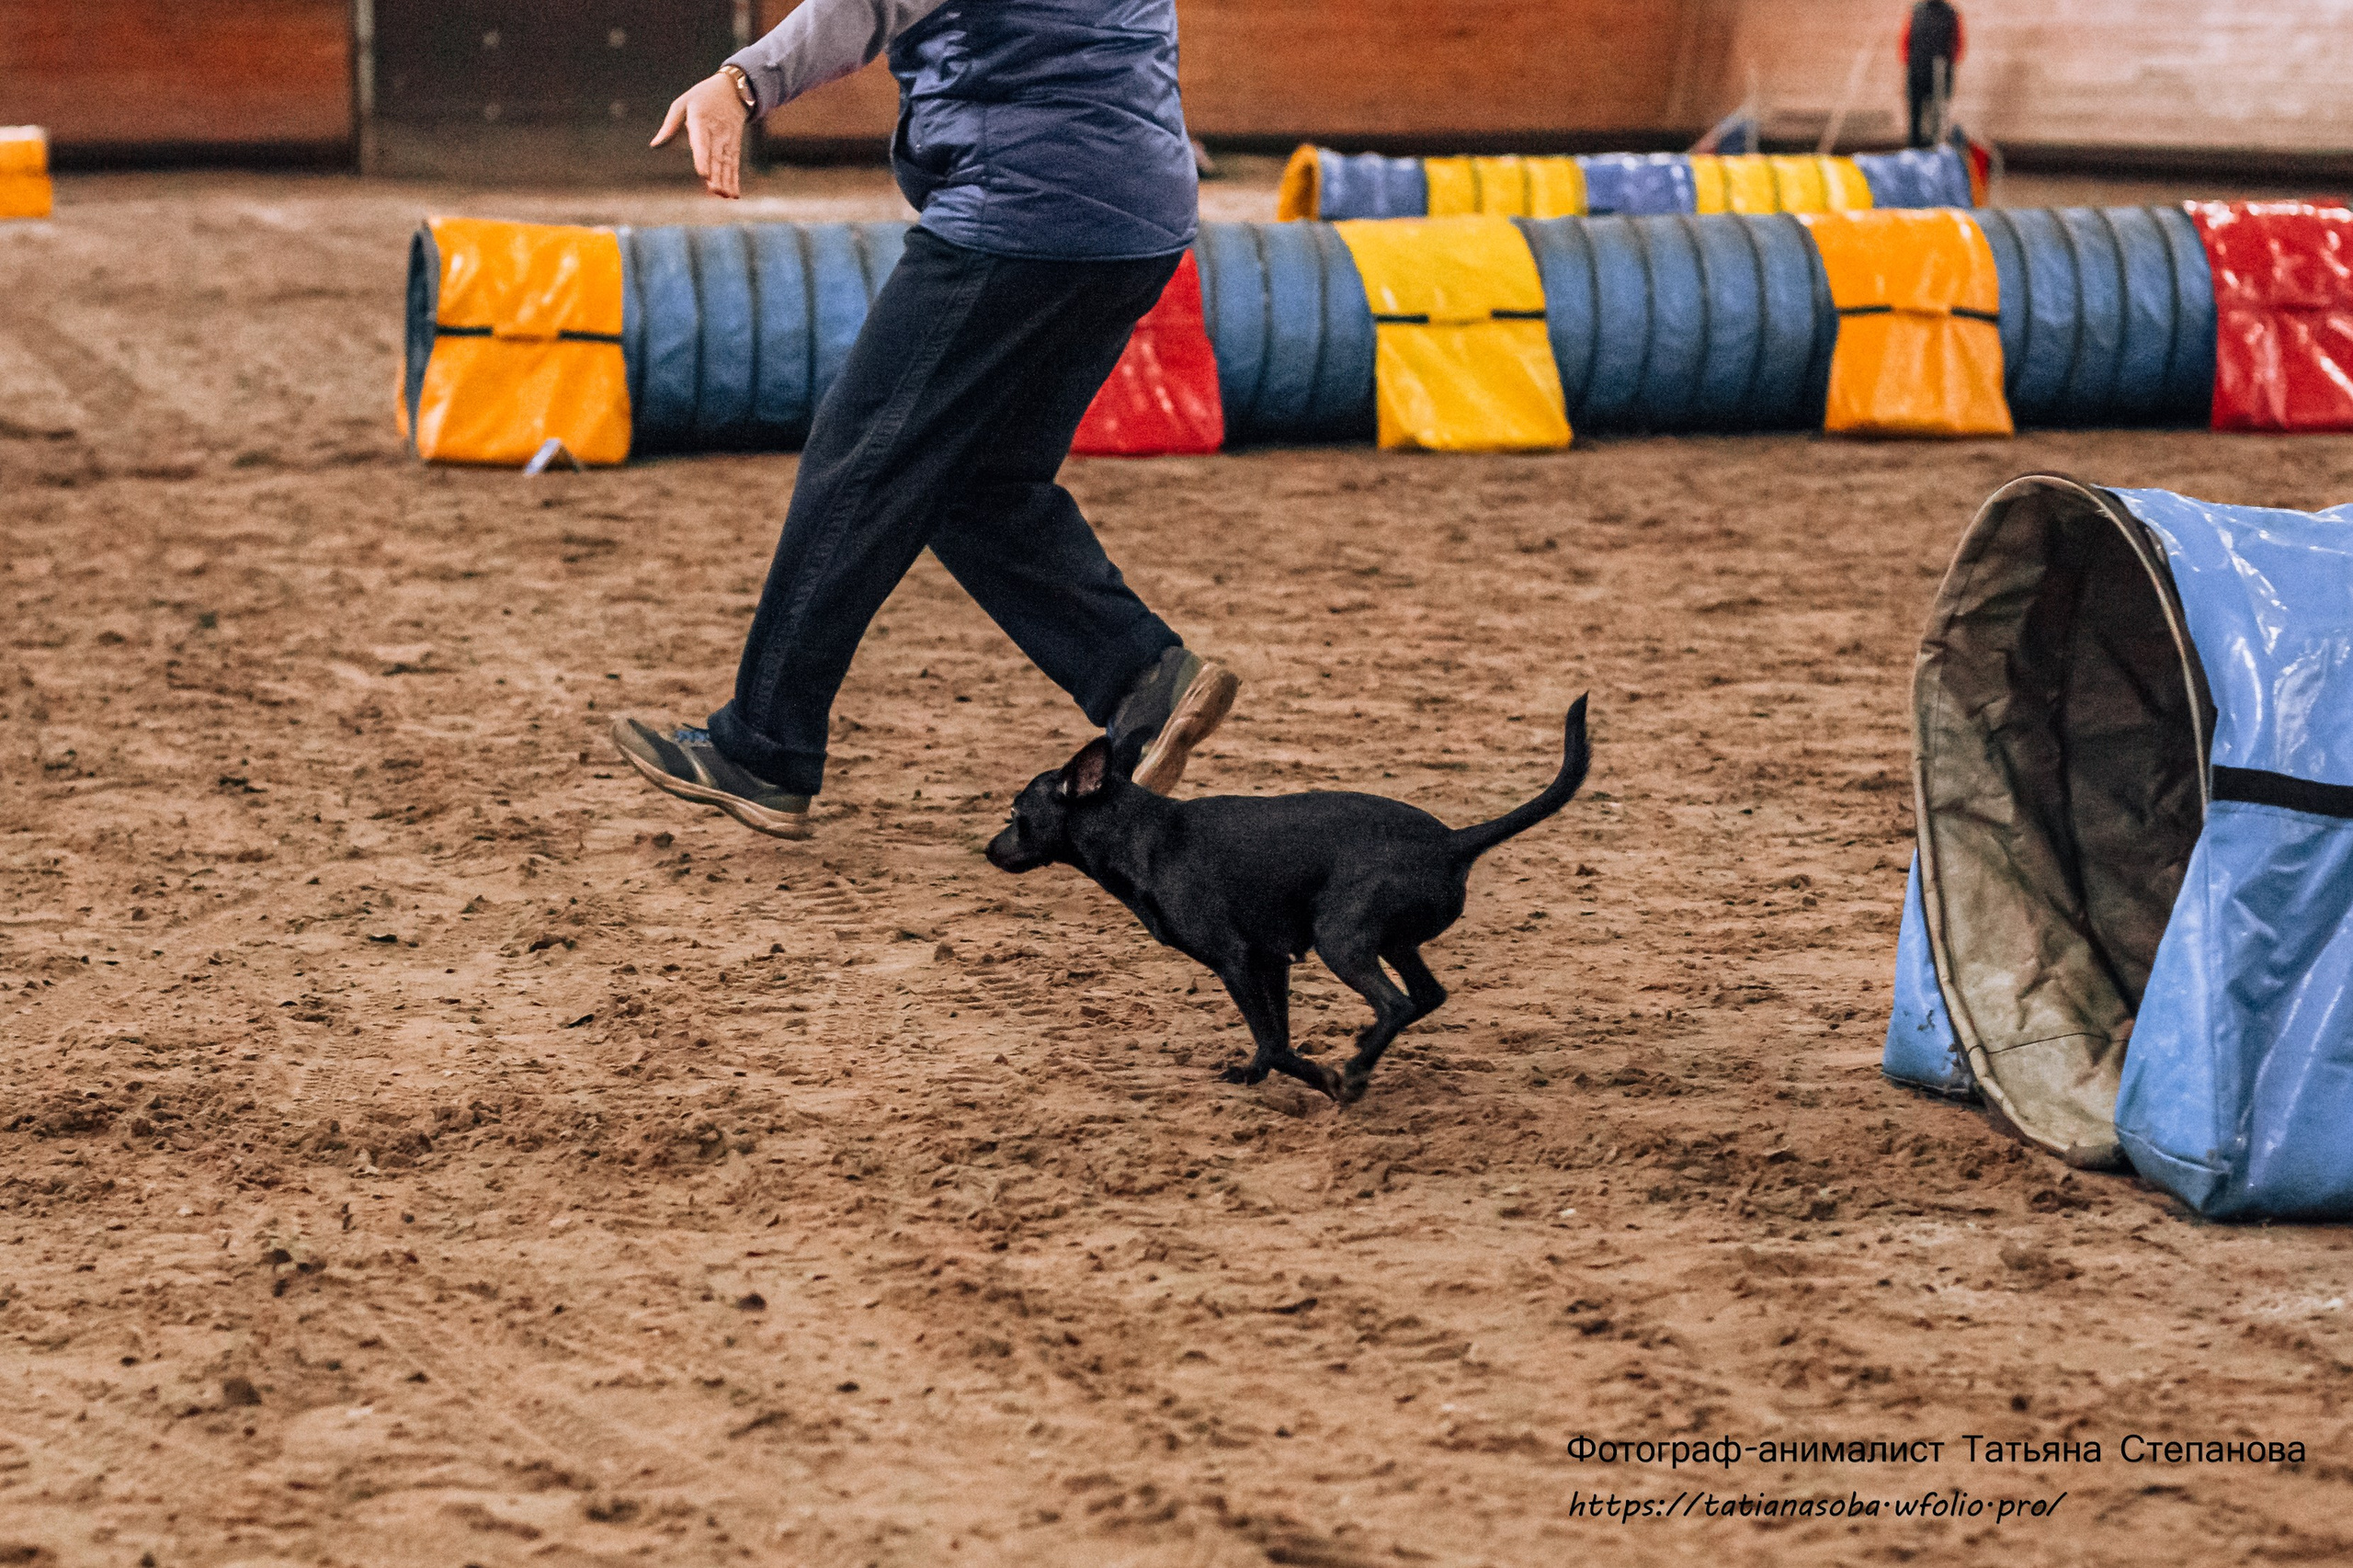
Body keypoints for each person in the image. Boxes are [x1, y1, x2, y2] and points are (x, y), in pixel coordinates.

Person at [615, 0, 1238, 840]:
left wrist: (742, 83)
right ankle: (1141, 677)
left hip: (1019, 213)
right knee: (981, 482)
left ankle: (763, 746)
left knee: (858, 460)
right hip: (1141, 216)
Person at [1903, 0, 1965, 148]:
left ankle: (1935, 147)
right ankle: (1915, 147)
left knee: (1937, 114)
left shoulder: (1951, 13)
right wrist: (1912, 63)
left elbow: (1958, 44)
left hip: (1940, 71)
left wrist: (1948, 63)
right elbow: (1906, 41)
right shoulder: (1916, 11)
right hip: (1917, 69)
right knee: (1916, 115)